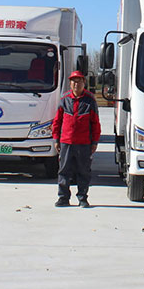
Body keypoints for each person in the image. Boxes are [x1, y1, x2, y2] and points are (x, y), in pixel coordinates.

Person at [52, 71, 101, 207]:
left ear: (84, 83)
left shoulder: (90, 100)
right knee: (64, 171)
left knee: (83, 171)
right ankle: (63, 198)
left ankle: (82, 198)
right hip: (66, 142)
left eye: (79, 81)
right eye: (73, 81)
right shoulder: (64, 99)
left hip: (84, 143)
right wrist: (56, 139)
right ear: (70, 84)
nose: (76, 84)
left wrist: (94, 142)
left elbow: (95, 124)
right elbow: (57, 121)